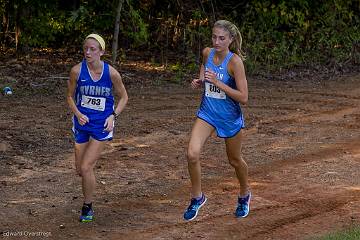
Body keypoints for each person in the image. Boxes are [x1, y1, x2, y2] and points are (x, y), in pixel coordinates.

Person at [183, 20, 250, 221]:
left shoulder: (234, 62)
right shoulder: (207, 52)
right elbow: (204, 66)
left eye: (221, 38)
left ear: (230, 40)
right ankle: (197, 197)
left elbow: (244, 98)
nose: (217, 41)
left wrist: (218, 83)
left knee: (235, 160)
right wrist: (201, 79)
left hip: (229, 118)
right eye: (214, 37)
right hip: (208, 113)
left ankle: (245, 194)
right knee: (192, 154)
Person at [66, 33, 128, 222]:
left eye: (93, 49)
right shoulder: (77, 71)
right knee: (80, 170)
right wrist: (78, 114)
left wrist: (113, 115)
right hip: (82, 123)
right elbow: (69, 96)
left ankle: (87, 206)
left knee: (86, 167)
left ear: (101, 52)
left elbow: (124, 97)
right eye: (86, 48)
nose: (88, 52)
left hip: (102, 124)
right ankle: (88, 189)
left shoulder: (111, 73)